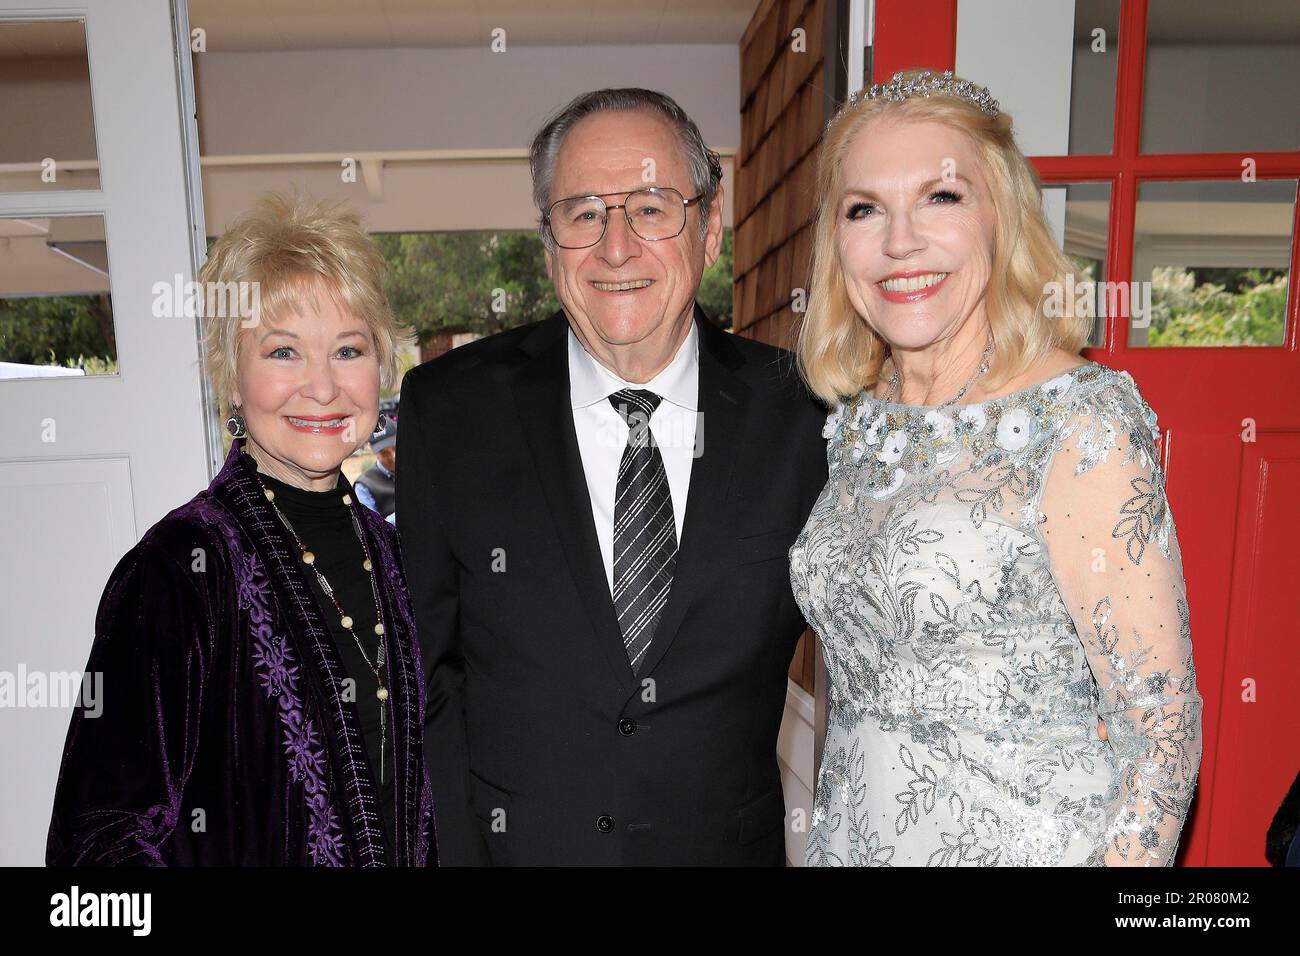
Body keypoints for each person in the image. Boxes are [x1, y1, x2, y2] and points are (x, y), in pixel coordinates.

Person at [398, 88, 827, 865]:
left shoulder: (804, 413)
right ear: (547, 239)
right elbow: (424, 679)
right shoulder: (451, 409)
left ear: (710, 224)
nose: (616, 247)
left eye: (652, 207)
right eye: (584, 212)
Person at [790, 70, 1202, 866]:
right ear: (836, 243)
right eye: (864, 208)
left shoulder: (1080, 420)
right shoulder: (858, 424)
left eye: (941, 198)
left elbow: (1163, 735)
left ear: (1001, 218)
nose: (899, 240)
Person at [46, 193, 433, 866]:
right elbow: (97, 848)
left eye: (347, 348)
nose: (321, 387)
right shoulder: (176, 572)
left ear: (381, 367)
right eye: (284, 352)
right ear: (231, 374)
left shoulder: (403, 561)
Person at [355, 400, 398, 518]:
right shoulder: (364, 486)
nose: (393, 456)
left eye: (395, 447)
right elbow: (373, 530)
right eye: (384, 453)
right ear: (372, 450)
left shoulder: (417, 468)